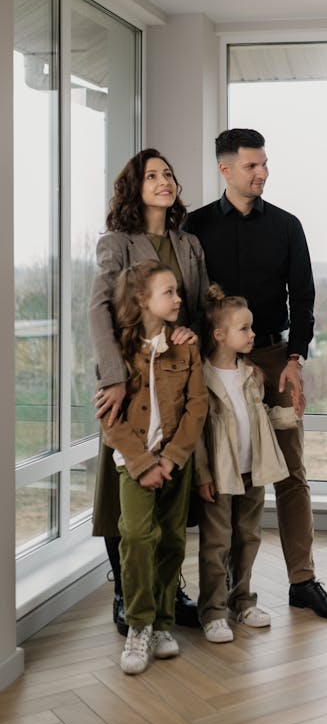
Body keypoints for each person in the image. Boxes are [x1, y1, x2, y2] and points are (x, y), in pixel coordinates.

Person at [185, 128, 327, 620]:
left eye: (264, 164)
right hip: (213, 364)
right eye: (252, 166)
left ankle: (303, 580)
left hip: (275, 359)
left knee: (291, 473)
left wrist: (295, 359)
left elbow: (304, 296)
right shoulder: (193, 228)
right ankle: (230, 593)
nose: (262, 173)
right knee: (220, 473)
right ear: (226, 169)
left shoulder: (286, 225)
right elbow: (190, 298)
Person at [89, 148, 210, 635]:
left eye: (169, 174)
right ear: (134, 187)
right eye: (153, 175)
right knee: (122, 494)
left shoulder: (189, 244)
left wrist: (190, 335)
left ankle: (166, 591)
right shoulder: (117, 242)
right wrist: (113, 374)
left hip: (177, 376)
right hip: (131, 378)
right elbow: (98, 307)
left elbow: (196, 307)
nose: (165, 181)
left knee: (172, 491)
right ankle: (124, 592)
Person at [101, 261, 208, 674]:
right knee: (136, 536)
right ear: (143, 300)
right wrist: (144, 464)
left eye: (178, 291)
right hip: (133, 465)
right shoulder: (116, 352)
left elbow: (197, 406)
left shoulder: (187, 346)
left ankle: (164, 623)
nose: (179, 299)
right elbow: (110, 418)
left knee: (171, 541)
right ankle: (139, 624)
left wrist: (170, 458)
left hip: (174, 462)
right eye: (169, 292)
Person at [195, 285, 296, 642]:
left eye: (252, 328)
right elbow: (197, 434)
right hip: (221, 476)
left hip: (254, 471)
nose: (253, 334)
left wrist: (287, 416)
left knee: (249, 537)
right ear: (220, 335)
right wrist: (202, 474)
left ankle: (243, 600)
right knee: (216, 543)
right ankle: (213, 611)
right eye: (245, 329)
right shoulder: (202, 379)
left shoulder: (251, 375)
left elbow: (260, 418)